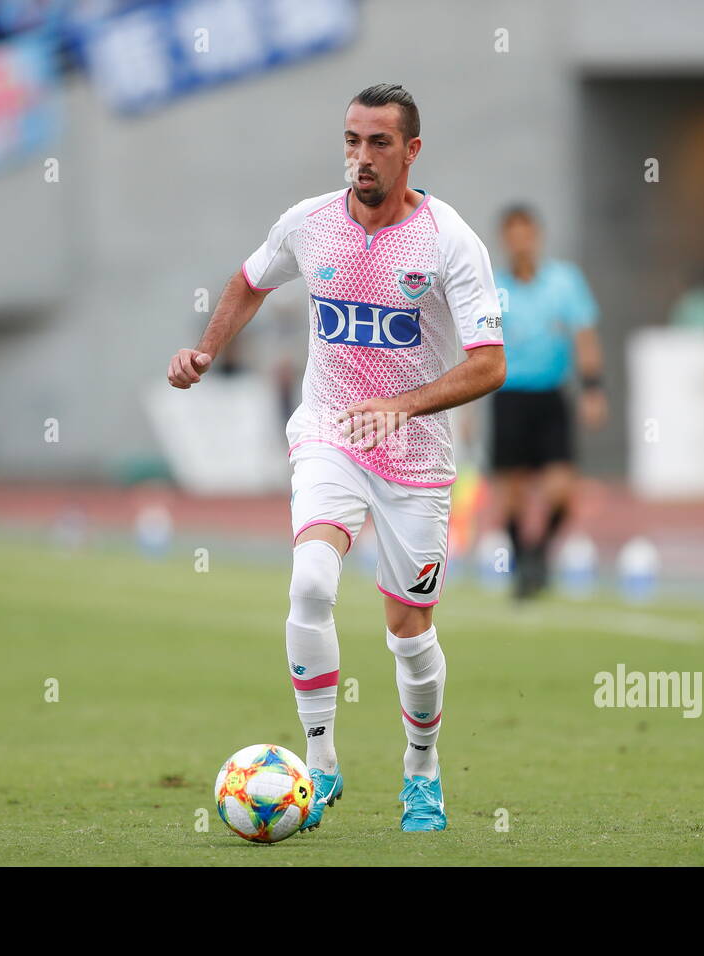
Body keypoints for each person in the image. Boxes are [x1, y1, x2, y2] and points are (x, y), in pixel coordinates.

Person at [167, 84, 505, 833]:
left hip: (414, 455)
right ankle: (318, 767)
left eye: (378, 143)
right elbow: (249, 281)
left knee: (407, 631)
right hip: (328, 433)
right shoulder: (309, 224)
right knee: (311, 579)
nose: (360, 157)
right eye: (352, 140)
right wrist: (206, 350)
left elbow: (489, 364)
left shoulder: (451, 241)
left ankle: (422, 770)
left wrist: (401, 405)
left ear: (411, 151)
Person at [489, 205, 605, 599]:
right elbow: (475, 345)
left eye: (526, 233)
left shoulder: (564, 281)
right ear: (505, 240)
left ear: (536, 236)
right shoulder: (494, 287)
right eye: (512, 234)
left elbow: (585, 335)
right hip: (508, 397)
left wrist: (592, 388)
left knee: (561, 490)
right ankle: (523, 564)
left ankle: (539, 552)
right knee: (511, 493)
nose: (520, 241)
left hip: (552, 397)